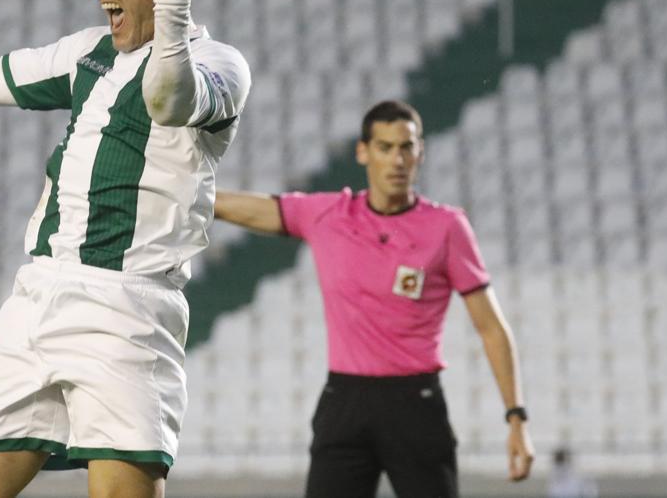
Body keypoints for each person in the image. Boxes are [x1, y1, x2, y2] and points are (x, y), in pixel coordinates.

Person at [0, 0, 251, 498]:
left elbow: (167, 101)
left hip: (130, 308)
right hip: (39, 295)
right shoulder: (87, 52)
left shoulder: (218, 63)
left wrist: (173, 8)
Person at [213, 100, 534, 498]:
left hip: (416, 403)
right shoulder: (328, 214)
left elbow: (491, 328)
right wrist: (189, 194)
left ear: (420, 152)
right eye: (385, 147)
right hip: (345, 401)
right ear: (363, 152)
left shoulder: (447, 227)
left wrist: (516, 417)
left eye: (406, 147)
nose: (397, 159)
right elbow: (252, 208)